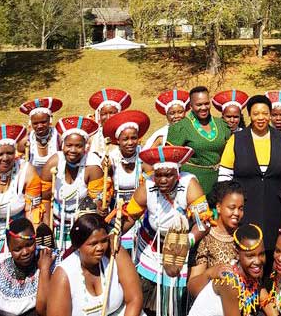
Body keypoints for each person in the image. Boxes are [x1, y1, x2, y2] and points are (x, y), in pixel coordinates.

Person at [121, 146, 213, 315]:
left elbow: (204, 223)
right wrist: (114, 231)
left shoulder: (190, 185)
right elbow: (130, 216)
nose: (163, 180)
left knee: (175, 304)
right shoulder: (147, 186)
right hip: (151, 249)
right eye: (159, 175)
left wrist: (187, 241)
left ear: (177, 174)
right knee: (145, 297)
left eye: (168, 175)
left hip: (181, 249)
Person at [218, 94, 281, 280]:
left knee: (272, 251)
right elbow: (225, 174)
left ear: (270, 114)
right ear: (249, 115)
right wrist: (224, 204)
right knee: (249, 249)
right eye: (256, 113)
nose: (261, 117)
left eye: (265, 113)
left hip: (276, 207)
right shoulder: (237, 140)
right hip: (247, 206)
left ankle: (272, 294)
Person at [48, 213, 143, 316]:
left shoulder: (114, 253)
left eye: (104, 241)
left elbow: (134, 299)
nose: (100, 248)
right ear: (78, 246)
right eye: (93, 244)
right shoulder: (63, 276)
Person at [0, 124, 43, 279]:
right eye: (0, 154)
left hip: (16, 239)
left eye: (10, 153)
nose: (5, 158)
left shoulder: (26, 171)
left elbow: (33, 210)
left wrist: (30, 241)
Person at [40, 116, 106, 251]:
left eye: (78, 146)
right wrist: (47, 227)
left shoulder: (92, 167)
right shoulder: (54, 162)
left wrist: (83, 232)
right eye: (69, 145)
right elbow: (45, 198)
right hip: (56, 222)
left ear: (85, 147)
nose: (73, 150)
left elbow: (96, 204)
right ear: (62, 145)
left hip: (83, 224)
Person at [188, 223, 266, 316]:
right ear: (237, 254)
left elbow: (267, 303)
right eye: (250, 256)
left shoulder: (252, 276)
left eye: (261, 254)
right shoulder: (229, 280)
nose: (257, 261)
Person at [0, 218, 55, 316]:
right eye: (17, 249)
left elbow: (46, 311)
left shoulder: (50, 259)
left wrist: (45, 269)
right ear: (9, 248)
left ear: (35, 240)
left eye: (29, 245)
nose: (25, 252)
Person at [102, 110, 152, 251]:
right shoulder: (110, 159)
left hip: (140, 213)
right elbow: (104, 189)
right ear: (118, 141)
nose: (130, 142)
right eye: (125, 139)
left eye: (133, 138)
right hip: (116, 213)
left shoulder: (144, 158)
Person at [167, 86, 231, 195]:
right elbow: (169, 160)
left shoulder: (221, 124)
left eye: (206, 103)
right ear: (191, 106)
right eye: (199, 105)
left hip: (220, 182)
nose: (204, 107)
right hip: (193, 184)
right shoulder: (181, 127)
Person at [188, 180, 245, 297]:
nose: (237, 213)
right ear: (218, 207)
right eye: (232, 207)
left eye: (241, 208)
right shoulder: (205, 238)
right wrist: (210, 273)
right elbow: (193, 288)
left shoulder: (243, 235)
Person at [17, 97, 62, 174]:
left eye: (43, 122)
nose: (40, 126)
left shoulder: (59, 138)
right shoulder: (25, 142)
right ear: (30, 123)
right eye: (35, 123)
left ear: (50, 120)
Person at [88, 88, 132, 157]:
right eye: (103, 114)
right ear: (99, 116)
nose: (108, 118)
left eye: (112, 113)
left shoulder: (129, 135)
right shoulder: (92, 137)